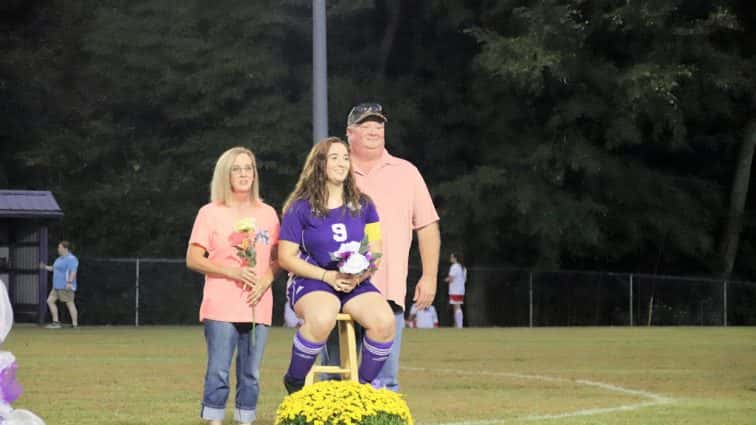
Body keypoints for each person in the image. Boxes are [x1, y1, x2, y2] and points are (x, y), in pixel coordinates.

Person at [321, 103, 441, 392]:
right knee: (336, 380)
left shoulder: (406, 172)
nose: (374, 130)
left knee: (384, 384)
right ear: (349, 133)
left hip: (387, 291)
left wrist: (429, 276)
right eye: (366, 125)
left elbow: (427, 227)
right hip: (338, 289)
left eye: (379, 125)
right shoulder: (334, 171)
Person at [278, 137, 395, 394]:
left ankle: (358, 390)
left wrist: (359, 276)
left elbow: (375, 251)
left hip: (354, 282)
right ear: (320, 164)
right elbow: (286, 257)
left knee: (385, 322)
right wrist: (327, 276)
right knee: (323, 316)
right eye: (334, 157)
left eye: (345, 158)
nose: (342, 163)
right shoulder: (300, 208)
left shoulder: (365, 204)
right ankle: (295, 383)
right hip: (313, 279)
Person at [186, 146, 280, 425]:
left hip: (257, 303)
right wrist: (231, 271)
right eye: (236, 169)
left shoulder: (268, 213)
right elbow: (193, 258)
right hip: (221, 303)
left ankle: (244, 419)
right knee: (218, 370)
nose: (243, 174)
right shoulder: (210, 212)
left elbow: (279, 259)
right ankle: (214, 419)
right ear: (225, 175)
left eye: (248, 168)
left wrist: (265, 280)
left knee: (251, 372)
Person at [39, 241, 79, 329]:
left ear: (65, 249)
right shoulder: (59, 259)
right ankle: (56, 323)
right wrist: (45, 267)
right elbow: (54, 268)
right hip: (56, 286)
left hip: (66, 286)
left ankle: (75, 325)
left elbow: (73, 271)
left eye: (59, 247)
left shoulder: (71, 259)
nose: (58, 249)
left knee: (70, 303)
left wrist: (69, 282)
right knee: (50, 301)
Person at [446, 252, 467, 328]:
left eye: (451, 257)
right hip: (461, 290)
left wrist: (446, 280)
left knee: (457, 306)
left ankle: (459, 325)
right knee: (456, 307)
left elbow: (451, 278)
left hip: (455, 290)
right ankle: (456, 324)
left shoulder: (454, 267)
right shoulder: (463, 267)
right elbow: (464, 279)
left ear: (455, 258)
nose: (450, 259)